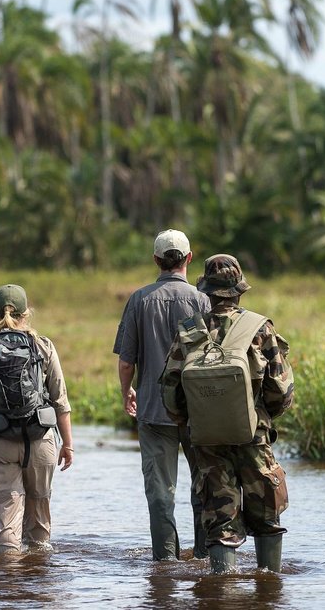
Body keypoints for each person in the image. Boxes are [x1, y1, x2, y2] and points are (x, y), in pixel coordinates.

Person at [160, 254, 294, 574]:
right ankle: (269, 587)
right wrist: (260, 417)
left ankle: (222, 590)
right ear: (239, 291)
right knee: (267, 516)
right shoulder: (261, 328)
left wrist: (195, 422)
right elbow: (282, 390)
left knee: (220, 521)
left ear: (205, 291)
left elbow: (170, 392)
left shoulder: (189, 332)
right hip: (254, 436)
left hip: (207, 439)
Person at [113, 229, 211, 560]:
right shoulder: (202, 301)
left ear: (156, 260)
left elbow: (126, 362)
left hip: (155, 412)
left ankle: (165, 564)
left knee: (160, 492)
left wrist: (127, 392)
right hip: (200, 412)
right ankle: (203, 556)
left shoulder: (139, 300)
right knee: (204, 486)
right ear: (188, 259)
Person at [0, 284, 74, 555]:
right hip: (40, 438)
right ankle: (36, 587)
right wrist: (67, 444)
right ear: (26, 312)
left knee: (6, 522)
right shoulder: (43, 345)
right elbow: (60, 399)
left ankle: (6, 587)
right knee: (39, 527)